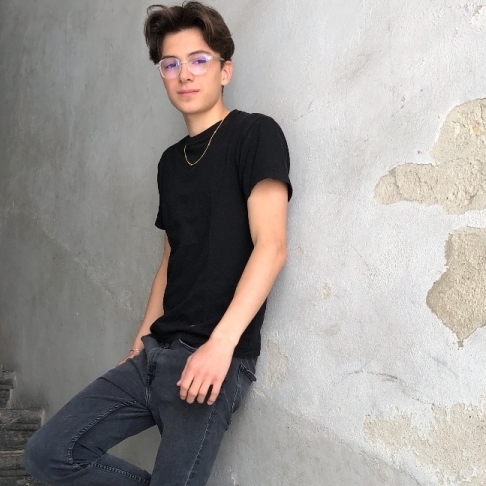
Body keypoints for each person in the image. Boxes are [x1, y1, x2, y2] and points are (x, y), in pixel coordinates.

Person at [24, 2, 292, 485]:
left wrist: (221, 345)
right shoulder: (170, 162)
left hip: (212, 357)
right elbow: (172, 255)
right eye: (171, 64)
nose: (184, 74)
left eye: (199, 60)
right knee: (48, 453)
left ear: (225, 70)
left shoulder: (255, 134)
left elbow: (271, 246)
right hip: (154, 353)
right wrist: (141, 337)